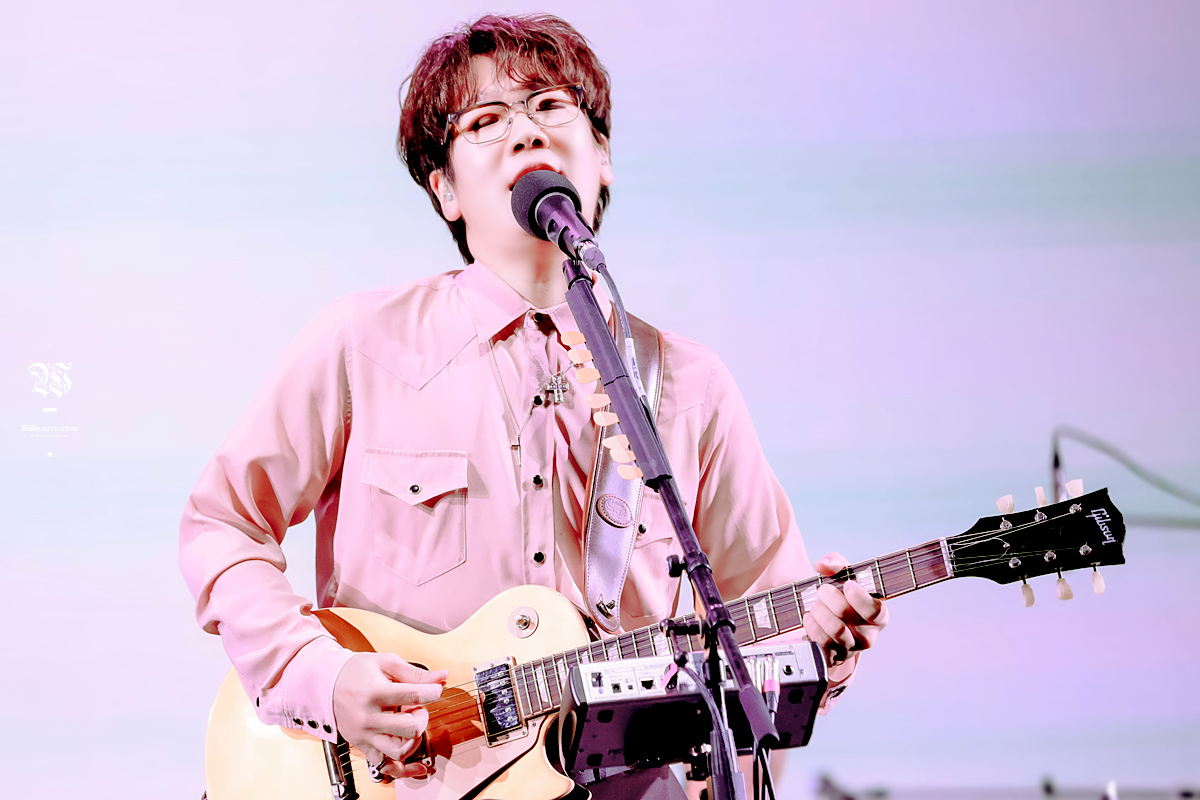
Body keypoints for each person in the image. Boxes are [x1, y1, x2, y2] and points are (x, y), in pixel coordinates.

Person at [179, 13, 887, 798]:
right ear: (445, 189)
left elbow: (764, 623)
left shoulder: (691, 386)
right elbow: (222, 524)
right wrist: (320, 676)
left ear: (602, 159)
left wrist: (825, 647)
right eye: (485, 120)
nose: (525, 130)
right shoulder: (363, 344)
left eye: (551, 105)